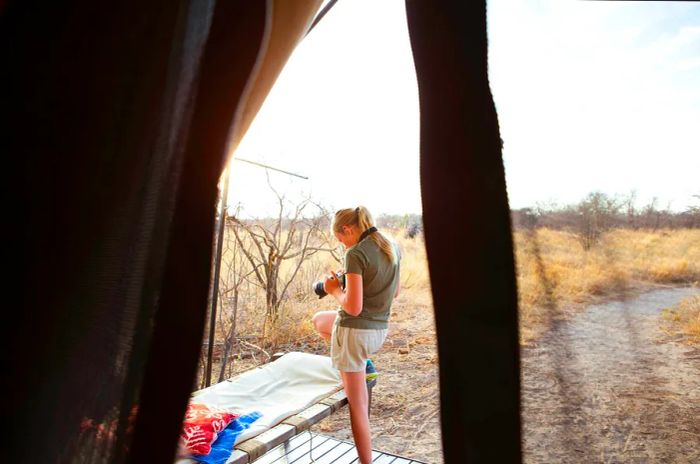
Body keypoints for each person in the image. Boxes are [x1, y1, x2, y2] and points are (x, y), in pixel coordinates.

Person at [311, 206, 401, 464]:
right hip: (378, 331)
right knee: (319, 321)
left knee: (358, 408)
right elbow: (394, 294)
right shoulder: (391, 246)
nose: (341, 244)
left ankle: (366, 463)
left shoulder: (356, 253)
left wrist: (333, 290)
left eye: (340, 239)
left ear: (347, 230)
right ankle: (366, 365)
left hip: (354, 334)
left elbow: (352, 307)